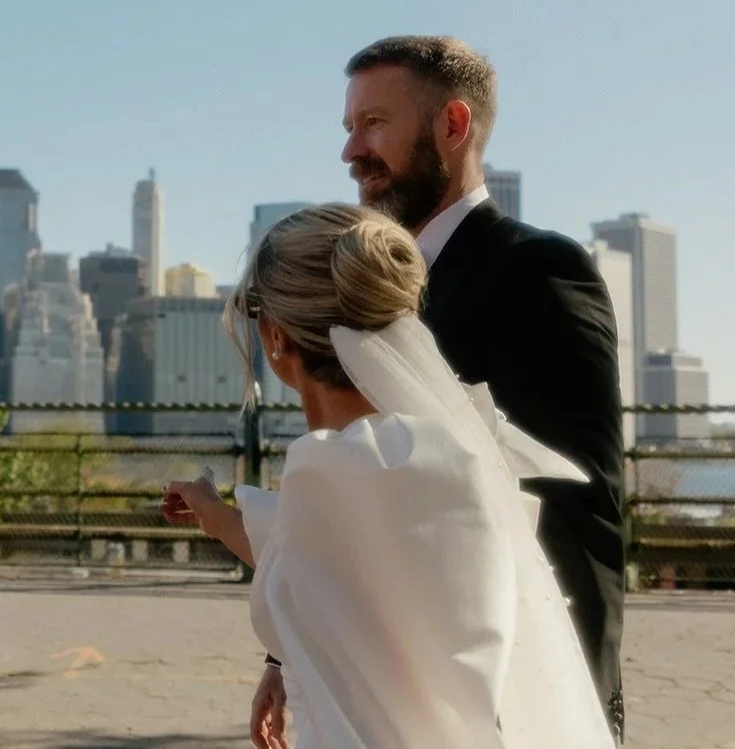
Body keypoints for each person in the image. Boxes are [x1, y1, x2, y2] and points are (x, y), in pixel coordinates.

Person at [162, 203, 616, 749]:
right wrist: (213, 511)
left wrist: (211, 511)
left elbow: (294, 545)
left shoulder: (331, 472)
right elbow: (299, 546)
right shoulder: (449, 453)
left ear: (276, 337)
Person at [334, 35, 628, 739]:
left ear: (453, 126)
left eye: (373, 124)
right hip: (395, 686)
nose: (351, 152)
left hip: (506, 698)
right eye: (348, 129)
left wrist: (572, 708)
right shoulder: (373, 293)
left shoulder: (539, 272)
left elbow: (573, 508)